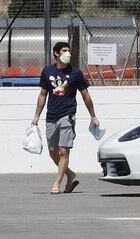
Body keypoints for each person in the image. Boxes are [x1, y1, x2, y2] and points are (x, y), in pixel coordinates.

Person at [31, 42, 100, 194]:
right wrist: (36, 116)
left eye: (68, 50)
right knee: (52, 152)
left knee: (64, 151)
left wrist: (93, 116)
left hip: (67, 115)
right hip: (51, 116)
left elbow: (85, 95)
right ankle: (70, 174)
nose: (67, 53)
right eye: (64, 51)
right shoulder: (47, 71)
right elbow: (43, 95)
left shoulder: (76, 73)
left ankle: (57, 183)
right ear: (56, 53)